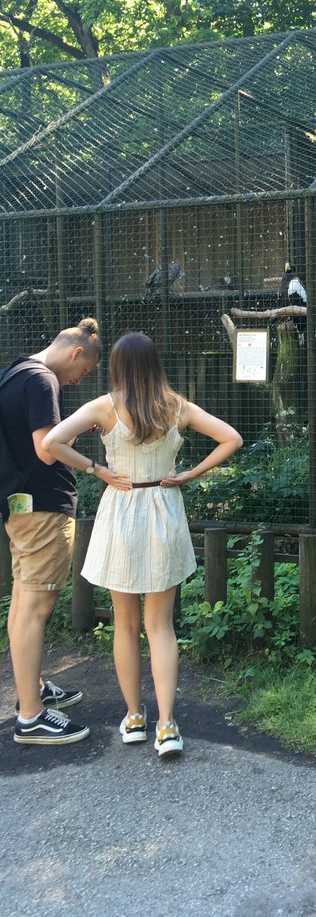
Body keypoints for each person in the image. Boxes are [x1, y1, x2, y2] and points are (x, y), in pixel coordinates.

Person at [42, 332, 243, 758]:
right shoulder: (177, 406)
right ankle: (167, 726)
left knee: (126, 625)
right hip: (163, 511)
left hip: (120, 510)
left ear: (116, 365)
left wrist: (96, 469)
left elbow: (50, 442)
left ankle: (134, 717)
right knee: (161, 626)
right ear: (154, 364)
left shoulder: (104, 406)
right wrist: (188, 476)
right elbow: (232, 438)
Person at [1, 317, 102, 745]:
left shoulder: (15, 371)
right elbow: (48, 450)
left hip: (19, 504)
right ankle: (31, 716)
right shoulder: (43, 381)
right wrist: (90, 452)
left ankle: (35, 688)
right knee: (35, 608)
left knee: (24, 600)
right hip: (41, 507)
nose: (81, 379)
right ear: (77, 352)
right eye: (85, 370)